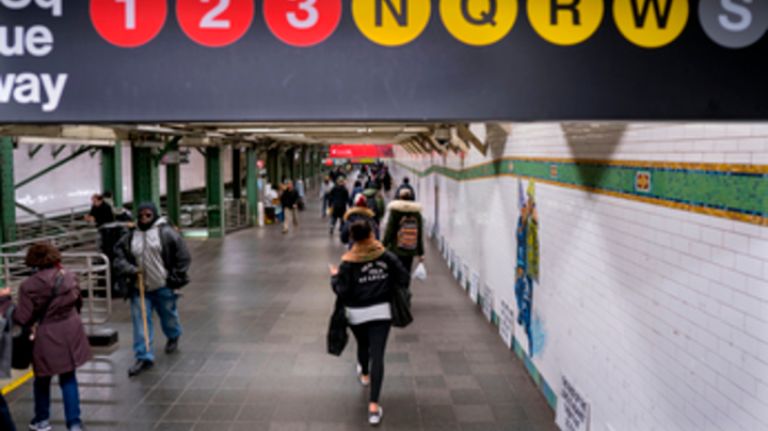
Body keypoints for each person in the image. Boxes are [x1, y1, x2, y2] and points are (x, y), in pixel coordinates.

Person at [1, 243, 92, 431]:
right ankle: (74, 423)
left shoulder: (29, 285)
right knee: (68, 377)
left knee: (42, 378)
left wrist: (5, 303)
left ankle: (42, 420)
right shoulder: (68, 275)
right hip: (71, 330)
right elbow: (78, 302)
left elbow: (22, 318)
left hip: (46, 334)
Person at [330, 220, 410, 426]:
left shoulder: (348, 262)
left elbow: (341, 290)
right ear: (372, 233)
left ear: (353, 238)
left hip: (356, 314)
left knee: (362, 345)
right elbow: (403, 278)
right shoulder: (385, 256)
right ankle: (374, 407)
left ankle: (364, 375)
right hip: (381, 312)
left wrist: (335, 277)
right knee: (378, 355)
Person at [113, 202, 191, 377]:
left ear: (154, 215)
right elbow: (118, 258)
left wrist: (175, 278)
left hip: (163, 286)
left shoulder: (167, 233)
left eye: (148, 215)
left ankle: (173, 335)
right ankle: (144, 356)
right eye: (140, 215)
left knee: (168, 317)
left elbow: (183, 256)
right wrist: (130, 270)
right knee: (141, 323)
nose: (143, 218)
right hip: (139, 288)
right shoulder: (130, 237)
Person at [382, 189, 424, 276]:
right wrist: (421, 252)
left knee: (395, 271)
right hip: (410, 248)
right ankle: (405, 288)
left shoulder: (395, 211)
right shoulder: (416, 213)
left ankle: (397, 288)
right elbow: (419, 234)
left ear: (400, 197)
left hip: (396, 247)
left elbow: (390, 230)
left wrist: (383, 245)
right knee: (406, 270)